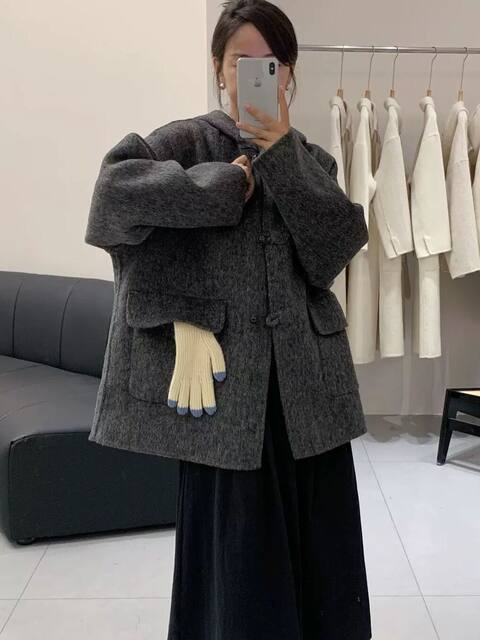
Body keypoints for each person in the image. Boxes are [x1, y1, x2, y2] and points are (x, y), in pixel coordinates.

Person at [165, 1, 372, 639]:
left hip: (310, 397)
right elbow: (114, 213)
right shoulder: (186, 143)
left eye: (271, 64)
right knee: (235, 575)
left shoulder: (313, 160)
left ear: (289, 75)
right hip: (226, 397)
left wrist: (280, 153)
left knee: (323, 568)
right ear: (218, 70)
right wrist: (184, 315)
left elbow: (334, 250)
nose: (255, 75)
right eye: (241, 62)